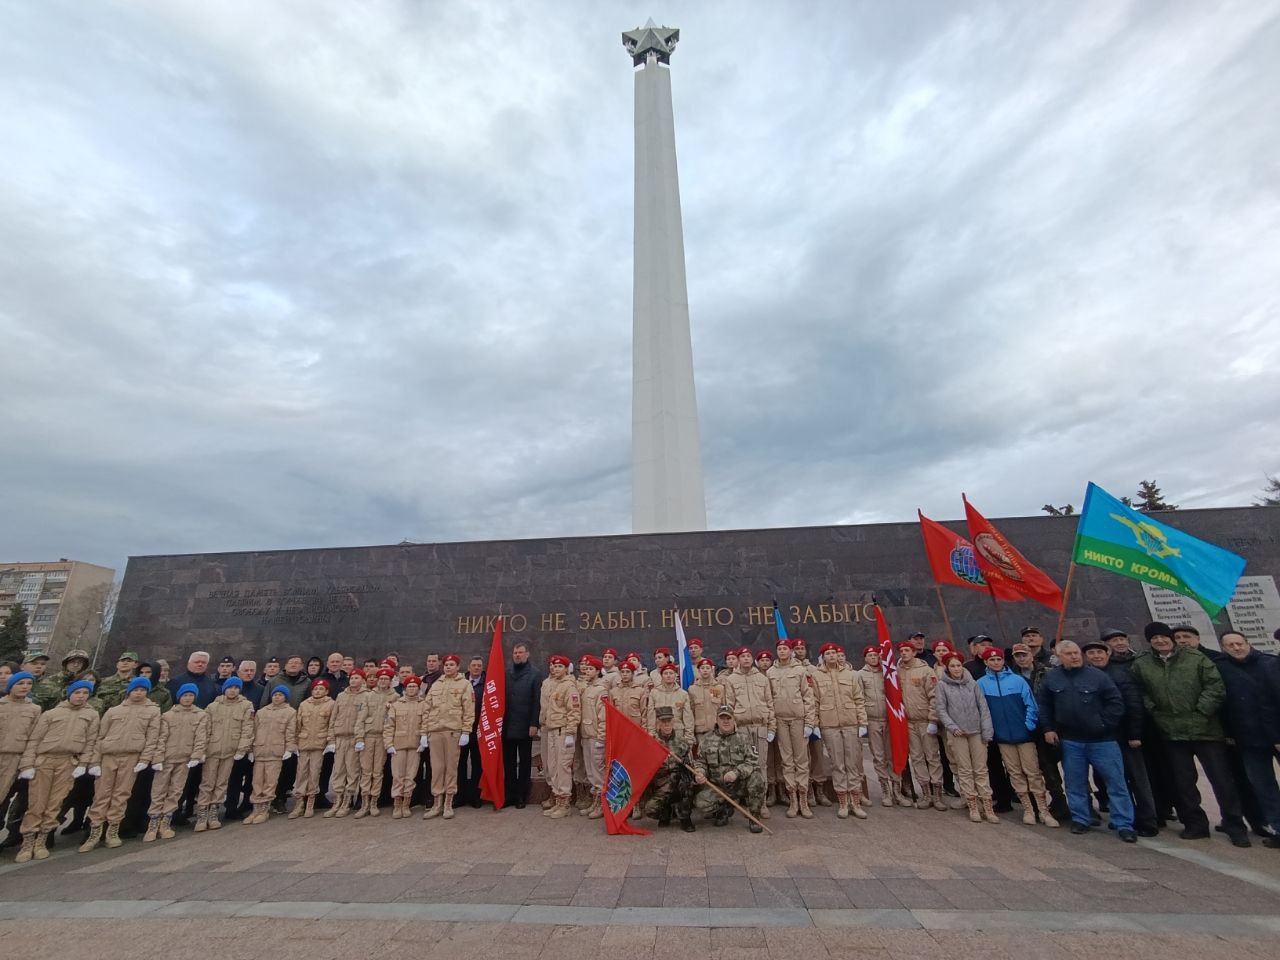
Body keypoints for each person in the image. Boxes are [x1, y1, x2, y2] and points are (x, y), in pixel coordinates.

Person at [1129, 621, 1248, 846]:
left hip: (1206, 730)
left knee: (1222, 781)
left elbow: (1214, 687)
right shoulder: (1142, 664)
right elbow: (1140, 691)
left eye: (1164, 637)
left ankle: (1235, 825)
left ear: (1171, 638)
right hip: (1171, 732)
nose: (1160, 641)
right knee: (1183, 782)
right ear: (1149, 641)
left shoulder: (1196, 658)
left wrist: (1202, 711)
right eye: (1154, 638)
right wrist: (1156, 711)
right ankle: (1195, 823)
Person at [1038, 640, 1136, 842]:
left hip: (1103, 740)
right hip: (1071, 740)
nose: (1074, 656)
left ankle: (1123, 823)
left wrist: (1103, 724)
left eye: (1076, 653)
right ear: (1059, 656)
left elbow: (1115, 702)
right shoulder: (1052, 678)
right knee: (1075, 783)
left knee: (1116, 783)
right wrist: (1048, 729)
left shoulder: (1097, 676)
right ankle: (1081, 819)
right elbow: (1045, 706)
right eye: (1068, 654)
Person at [14, 679, 100, 863]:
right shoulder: (51, 713)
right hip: (44, 760)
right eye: (78, 692)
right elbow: (34, 740)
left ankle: (42, 840)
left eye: (85, 693)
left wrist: (83, 764)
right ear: (70, 693)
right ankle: (28, 841)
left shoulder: (91, 716)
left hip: (68, 762)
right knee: (37, 802)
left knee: (55, 803)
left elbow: (91, 741)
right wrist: (27, 764)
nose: (81, 696)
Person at [1082, 639, 1157, 836]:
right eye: (1091, 653)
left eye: (1100, 652)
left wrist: (1134, 733)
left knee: (1138, 780)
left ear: (1108, 654)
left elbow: (1133, 705)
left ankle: (1148, 821)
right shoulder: (1085, 676)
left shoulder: (1122, 674)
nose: (1096, 656)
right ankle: (1124, 818)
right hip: (1103, 738)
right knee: (1115, 781)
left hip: (1125, 736)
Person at [977, 647, 1058, 827]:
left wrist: (1028, 725)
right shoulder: (981, 683)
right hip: (1003, 736)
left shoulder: (1018, 680)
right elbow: (983, 711)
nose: (996, 663)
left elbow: (1031, 704)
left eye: (998, 659)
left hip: (1023, 734)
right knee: (1015, 773)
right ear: (986, 662)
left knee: (1032, 772)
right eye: (992, 660)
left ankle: (1043, 810)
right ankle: (1028, 809)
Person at [1214, 631, 1280, 847]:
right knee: (1263, 786)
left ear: (1247, 643)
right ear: (1223, 648)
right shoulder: (1221, 669)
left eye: (1239, 643)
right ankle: (1278, 828)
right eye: (1230, 645)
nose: (1236, 648)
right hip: (1249, 739)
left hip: (1277, 734)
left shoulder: (1270, 664)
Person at [79, 676, 161, 852]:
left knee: (121, 795)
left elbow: (152, 738)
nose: (139, 693)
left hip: (132, 756)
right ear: (129, 691)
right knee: (101, 794)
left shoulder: (153, 711)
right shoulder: (113, 711)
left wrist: (145, 759)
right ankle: (94, 831)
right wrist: (94, 760)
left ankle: (113, 830)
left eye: (143, 690)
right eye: (136, 689)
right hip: (108, 756)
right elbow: (99, 737)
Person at [935, 652, 997, 823]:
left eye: (958, 665)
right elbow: (941, 709)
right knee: (964, 769)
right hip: (958, 733)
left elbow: (983, 708)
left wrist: (987, 732)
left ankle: (987, 805)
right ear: (947, 667)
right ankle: (972, 804)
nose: (956, 669)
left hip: (976, 731)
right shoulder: (942, 685)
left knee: (981, 769)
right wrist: (952, 727)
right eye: (952, 666)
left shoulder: (973, 684)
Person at [144, 682, 207, 842]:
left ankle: (166, 822)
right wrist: (157, 758)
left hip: (184, 759)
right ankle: (153, 823)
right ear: (179, 697)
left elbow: (201, 737)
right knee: (158, 791)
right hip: (166, 758)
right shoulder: (167, 715)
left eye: (191, 695)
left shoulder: (200, 715)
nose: (188, 698)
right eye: (185, 695)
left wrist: (196, 756)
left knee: (175, 791)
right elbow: (161, 738)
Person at [812, 642, 869, 819]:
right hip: (829, 725)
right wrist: (815, 724)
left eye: (834, 653)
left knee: (852, 764)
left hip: (850, 724)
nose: (831, 656)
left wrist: (863, 723)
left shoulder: (851, 675)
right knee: (838, 765)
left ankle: (856, 803)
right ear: (823, 657)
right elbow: (814, 702)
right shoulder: (815, 676)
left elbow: (859, 700)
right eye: (827, 653)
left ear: (838, 656)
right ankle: (843, 803)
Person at [693, 704, 765, 833]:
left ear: (734, 720)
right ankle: (724, 810)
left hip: (739, 784)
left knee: (757, 778)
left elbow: (752, 761)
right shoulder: (706, 739)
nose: (726, 721)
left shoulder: (744, 738)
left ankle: (754, 816)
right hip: (719, 786)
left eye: (728, 718)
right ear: (717, 720)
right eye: (722, 718)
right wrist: (700, 772)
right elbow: (700, 762)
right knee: (701, 803)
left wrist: (737, 772)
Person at [196, 676, 254, 831]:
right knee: (207, 783)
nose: (233, 690)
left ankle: (214, 811)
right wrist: (201, 750)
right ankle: (202, 813)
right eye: (230, 687)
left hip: (230, 751)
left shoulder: (246, 706)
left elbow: (247, 729)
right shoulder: (212, 707)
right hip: (212, 751)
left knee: (221, 783)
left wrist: (242, 749)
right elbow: (204, 730)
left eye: (236, 687)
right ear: (224, 689)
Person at [723, 646, 775, 818]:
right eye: (742, 656)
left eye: (748, 656)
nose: (746, 659)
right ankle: (747, 801)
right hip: (742, 728)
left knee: (761, 765)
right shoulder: (731, 680)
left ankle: (762, 803)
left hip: (760, 726)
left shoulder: (762, 678)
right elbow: (729, 706)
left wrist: (771, 727)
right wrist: (732, 729)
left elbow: (770, 703)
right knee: (743, 765)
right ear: (738, 660)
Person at [421, 655, 475, 820]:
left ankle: (448, 803)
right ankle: (437, 803)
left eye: (452, 665)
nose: (448, 667)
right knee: (437, 768)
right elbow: (426, 709)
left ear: (458, 667)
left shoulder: (465, 684)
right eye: (446, 665)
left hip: (453, 732)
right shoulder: (436, 684)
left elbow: (469, 709)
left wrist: (466, 731)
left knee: (451, 768)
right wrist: (424, 732)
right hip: (435, 731)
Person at [767, 638, 816, 819]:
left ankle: (803, 798)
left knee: (801, 760)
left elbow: (808, 697)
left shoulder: (800, 670)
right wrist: (772, 725)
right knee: (787, 761)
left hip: (798, 720)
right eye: (779, 648)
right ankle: (793, 799)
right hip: (780, 721)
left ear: (791, 651)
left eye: (785, 649)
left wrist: (810, 723)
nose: (782, 651)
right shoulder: (771, 672)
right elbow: (769, 700)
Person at [898, 641, 946, 812]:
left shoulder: (925, 670)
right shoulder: (897, 671)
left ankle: (937, 794)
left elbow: (934, 696)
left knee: (932, 757)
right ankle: (925, 793)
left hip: (925, 721)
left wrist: (933, 720)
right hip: (908, 723)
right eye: (901, 650)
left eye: (907, 650)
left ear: (913, 652)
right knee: (917, 758)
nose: (904, 653)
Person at [858, 645, 905, 808]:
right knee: (878, 756)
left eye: (876, 655)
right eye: (870, 655)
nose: (873, 658)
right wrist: (863, 721)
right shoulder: (860, 675)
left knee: (893, 755)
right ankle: (885, 790)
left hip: (890, 719)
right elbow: (859, 698)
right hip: (872, 720)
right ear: (865, 658)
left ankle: (897, 790)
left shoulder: (888, 673)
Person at [244, 685, 298, 825]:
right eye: (275, 694)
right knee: (257, 781)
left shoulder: (290, 712)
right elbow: (253, 731)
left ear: (285, 697)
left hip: (276, 752)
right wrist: (250, 749)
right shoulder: (262, 712)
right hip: (260, 751)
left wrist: (289, 748)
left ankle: (264, 809)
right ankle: (255, 809)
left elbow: (291, 732)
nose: (277, 697)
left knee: (270, 782)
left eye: (280, 695)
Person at [639, 706, 695, 830]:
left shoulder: (682, 742)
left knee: (685, 786)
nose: (666, 725)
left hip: (679, 782)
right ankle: (666, 813)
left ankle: (685, 817)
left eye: (669, 721)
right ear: (658, 723)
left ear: (673, 722)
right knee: (649, 809)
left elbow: (692, 766)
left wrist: (689, 770)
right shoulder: (653, 743)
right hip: (661, 783)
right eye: (663, 722)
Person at [539, 655, 581, 819]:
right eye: (554, 666)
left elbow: (574, 711)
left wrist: (570, 733)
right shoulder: (551, 684)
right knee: (553, 766)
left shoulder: (569, 686)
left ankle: (565, 804)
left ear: (566, 669)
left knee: (563, 767)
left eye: (559, 667)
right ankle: (557, 800)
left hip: (563, 731)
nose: (555, 669)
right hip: (551, 730)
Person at [323, 668, 367, 819]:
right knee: (338, 770)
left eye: (357, 678)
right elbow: (333, 718)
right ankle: (338, 799)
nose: (353, 680)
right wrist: (331, 739)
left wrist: (361, 739)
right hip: (340, 737)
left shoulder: (367, 696)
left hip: (355, 738)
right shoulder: (341, 696)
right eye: (352, 678)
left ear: (362, 680)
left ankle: (348, 800)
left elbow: (364, 718)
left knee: (352, 770)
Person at [289, 679, 334, 819]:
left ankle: (310, 801)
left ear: (326, 691)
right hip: (304, 743)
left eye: (321, 689)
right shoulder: (304, 704)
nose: (318, 691)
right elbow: (297, 725)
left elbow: (332, 724)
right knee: (301, 773)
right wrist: (293, 743)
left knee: (314, 773)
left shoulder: (331, 704)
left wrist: (331, 742)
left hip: (319, 744)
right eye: (315, 689)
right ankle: (299, 802)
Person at [355, 667, 396, 818]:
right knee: (366, 771)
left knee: (378, 771)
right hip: (368, 736)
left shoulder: (395, 697)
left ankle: (374, 802)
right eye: (381, 679)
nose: (383, 681)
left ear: (391, 681)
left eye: (386, 679)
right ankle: (364, 803)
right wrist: (359, 738)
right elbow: (360, 718)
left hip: (382, 738)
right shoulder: (368, 696)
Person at [382, 675, 425, 818]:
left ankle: (407, 803)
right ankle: (397, 804)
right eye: (409, 687)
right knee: (397, 776)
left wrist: (424, 739)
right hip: (398, 745)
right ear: (405, 689)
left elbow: (426, 723)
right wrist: (388, 744)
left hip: (415, 745)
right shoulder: (396, 705)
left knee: (410, 776)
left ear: (419, 689)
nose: (411, 689)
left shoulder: (424, 705)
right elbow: (389, 726)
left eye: (414, 687)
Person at [1, 672, 41, 815]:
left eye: (29, 684)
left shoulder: (34, 710)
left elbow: (33, 739)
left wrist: (26, 764)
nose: (25, 687)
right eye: (20, 683)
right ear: (11, 685)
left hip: (13, 759)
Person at [456, 657, 485, 808]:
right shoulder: (460, 682)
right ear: (468, 667)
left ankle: (475, 796)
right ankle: (460, 796)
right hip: (461, 730)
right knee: (460, 763)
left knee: (477, 763)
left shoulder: (487, 684)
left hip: (479, 730)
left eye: (479, 666)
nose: (476, 668)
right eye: (473, 665)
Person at [646, 662, 693, 744]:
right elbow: (651, 715)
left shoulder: (683, 694)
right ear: (661, 676)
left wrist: (688, 737)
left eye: (671, 673)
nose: (668, 675)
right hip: (659, 735)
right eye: (665, 673)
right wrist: (652, 733)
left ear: (675, 675)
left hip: (678, 734)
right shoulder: (654, 693)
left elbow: (688, 717)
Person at [687, 658, 725, 738]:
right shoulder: (692, 689)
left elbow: (724, 708)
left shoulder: (720, 688)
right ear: (698, 670)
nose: (705, 670)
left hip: (717, 729)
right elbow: (691, 711)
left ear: (711, 670)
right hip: (700, 731)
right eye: (702, 668)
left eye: (708, 668)